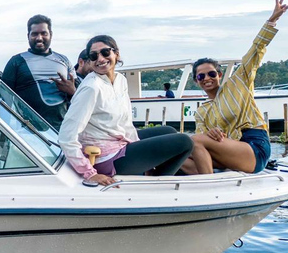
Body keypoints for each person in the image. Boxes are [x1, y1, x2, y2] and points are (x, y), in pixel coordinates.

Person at [58, 35, 193, 186]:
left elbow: (126, 123)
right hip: (104, 157)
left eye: (105, 52)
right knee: (184, 142)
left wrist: (144, 157)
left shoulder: (120, 80)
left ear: (116, 53)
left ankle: (152, 176)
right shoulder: (91, 88)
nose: (100, 59)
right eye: (93, 56)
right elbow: (66, 136)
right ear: (89, 61)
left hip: (120, 143)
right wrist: (90, 174)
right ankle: (156, 185)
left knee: (169, 131)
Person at [181, 0, 288, 175]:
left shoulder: (238, 83)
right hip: (229, 150)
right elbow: (202, 139)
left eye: (211, 73)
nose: (207, 78)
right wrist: (212, 134)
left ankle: (210, 186)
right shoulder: (202, 111)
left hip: (254, 146)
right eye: (201, 76)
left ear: (219, 75)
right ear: (196, 81)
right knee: (182, 154)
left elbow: (255, 52)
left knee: (194, 141)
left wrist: (272, 20)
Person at [2, 15, 76, 130]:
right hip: (28, 132)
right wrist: (4, 132)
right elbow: (5, 99)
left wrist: (72, 91)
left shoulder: (64, 61)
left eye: (44, 33)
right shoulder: (16, 62)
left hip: (62, 131)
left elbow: (80, 99)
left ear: (51, 34)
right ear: (28, 36)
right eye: (34, 34)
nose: (39, 38)